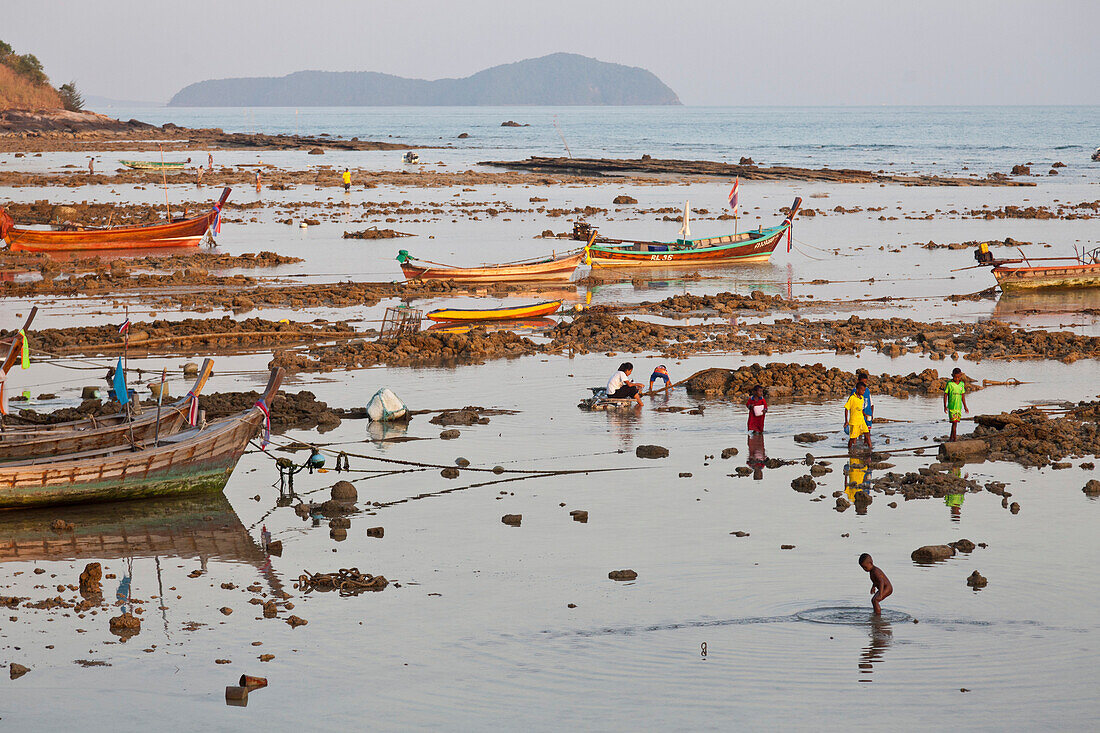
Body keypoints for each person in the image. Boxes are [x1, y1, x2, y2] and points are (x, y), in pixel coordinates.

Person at [844, 383, 872, 451]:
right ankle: (849, 449)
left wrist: (865, 415)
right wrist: (846, 421)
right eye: (862, 390)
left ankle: (870, 449)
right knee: (852, 438)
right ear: (857, 389)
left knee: (867, 434)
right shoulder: (852, 398)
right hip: (854, 422)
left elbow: (861, 409)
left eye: (864, 390)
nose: (863, 392)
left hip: (861, 420)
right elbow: (846, 409)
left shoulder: (861, 398)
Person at [943, 367, 969, 442]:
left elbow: (962, 396)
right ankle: (955, 439)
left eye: (958, 377)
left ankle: (951, 438)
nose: (957, 379)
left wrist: (965, 407)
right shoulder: (949, 384)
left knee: (955, 424)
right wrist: (945, 406)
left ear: (960, 376)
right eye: (955, 377)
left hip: (958, 407)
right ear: (952, 375)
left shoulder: (961, 384)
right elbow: (945, 395)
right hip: (951, 407)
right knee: (954, 423)